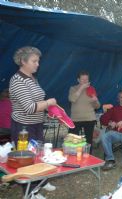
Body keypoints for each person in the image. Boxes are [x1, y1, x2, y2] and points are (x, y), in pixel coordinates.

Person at [9, 46, 57, 199]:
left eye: (38, 61)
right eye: (34, 61)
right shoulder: (17, 80)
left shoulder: (31, 78)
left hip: (36, 123)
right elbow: (29, 108)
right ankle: (30, 193)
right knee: (26, 159)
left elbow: (36, 102)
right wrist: (49, 103)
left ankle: (41, 182)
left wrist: (48, 112)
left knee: (39, 154)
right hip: (23, 127)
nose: (38, 64)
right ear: (23, 61)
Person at [68, 71, 100, 152]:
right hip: (75, 119)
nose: (85, 81)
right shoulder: (73, 88)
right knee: (72, 141)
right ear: (78, 80)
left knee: (88, 142)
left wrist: (95, 101)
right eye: (83, 79)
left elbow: (97, 106)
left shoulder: (91, 89)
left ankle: (88, 158)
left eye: (87, 79)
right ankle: (73, 158)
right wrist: (81, 88)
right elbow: (72, 99)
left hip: (89, 118)